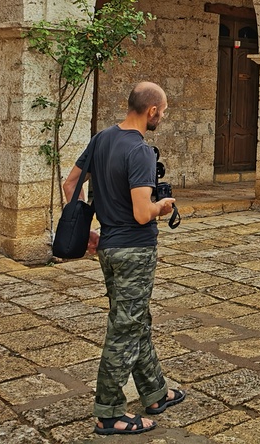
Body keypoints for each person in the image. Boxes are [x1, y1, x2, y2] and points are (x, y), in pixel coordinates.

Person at [61, 82, 185, 436]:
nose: (163, 116)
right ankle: (109, 411)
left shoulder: (102, 139)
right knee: (125, 329)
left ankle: (155, 392)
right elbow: (142, 212)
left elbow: (72, 184)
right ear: (152, 111)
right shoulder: (141, 152)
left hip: (109, 246)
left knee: (134, 319)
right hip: (135, 249)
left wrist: (86, 231)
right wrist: (164, 206)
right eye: (163, 111)